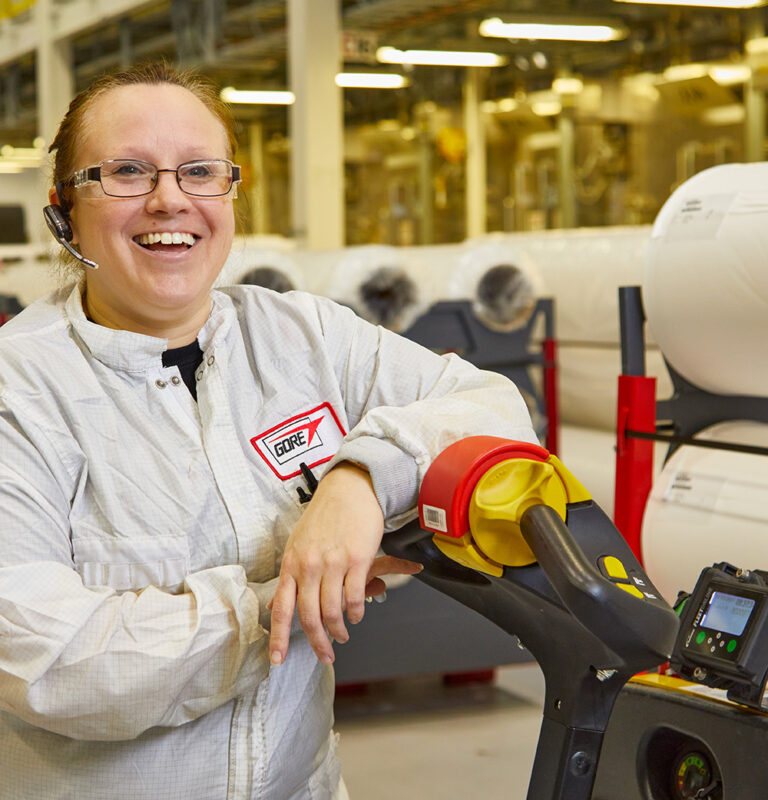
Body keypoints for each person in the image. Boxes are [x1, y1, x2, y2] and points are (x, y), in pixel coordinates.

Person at [0, 61, 538, 800]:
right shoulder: (19, 390)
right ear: (63, 211)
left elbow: (490, 407)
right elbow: (51, 664)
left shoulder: (302, 336)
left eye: (200, 171)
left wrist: (360, 481)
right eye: (127, 172)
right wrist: (282, 600)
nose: (169, 200)